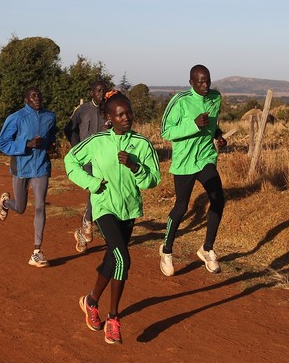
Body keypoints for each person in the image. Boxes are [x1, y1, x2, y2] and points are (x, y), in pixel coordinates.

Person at [64, 91, 160, 344]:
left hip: (128, 210)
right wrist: (92, 183)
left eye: (128, 112)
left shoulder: (142, 144)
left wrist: (135, 167)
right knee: (122, 258)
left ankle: (90, 301)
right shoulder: (97, 142)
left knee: (112, 259)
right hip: (104, 207)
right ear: (109, 117)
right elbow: (70, 161)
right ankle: (114, 318)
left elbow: (153, 180)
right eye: (120, 114)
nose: (126, 117)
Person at [159, 64, 228, 276]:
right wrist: (194, 124)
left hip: (205, 158)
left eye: (207, 80)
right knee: (181, 207)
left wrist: (217, 135)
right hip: (184, 162)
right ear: (191, 83)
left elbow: (213, 124)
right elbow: (165, 132)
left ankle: (207, 249)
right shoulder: (180, 101)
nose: (205, 85)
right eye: (200, 82)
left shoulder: (216, 98)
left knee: (218, 198)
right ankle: (166, 250)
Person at [0, 87, 58, 268]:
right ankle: (5, 203)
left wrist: (51, 145)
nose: (37, 98)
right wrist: (27, 144)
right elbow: (3, 143)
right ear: (26, 99)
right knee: (21, 207)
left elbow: (52, 134)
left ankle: (37, 252)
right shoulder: (16, 118)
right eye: (33, 96)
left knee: (40, 206)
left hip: (41, 167)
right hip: (21, 167)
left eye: (39, 95)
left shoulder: (50, 116)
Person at [63, 80, 110, 253]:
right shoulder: (82, 110)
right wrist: (77, 148)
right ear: (92, 93)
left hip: (106, 159)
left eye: (104, 91)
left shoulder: (109, 110)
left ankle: (83, 232)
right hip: (88, 159)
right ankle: (88, 224)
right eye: (98, 91)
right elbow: (69, 129)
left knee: (102, 191)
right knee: (95, 188)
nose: (101, 94)